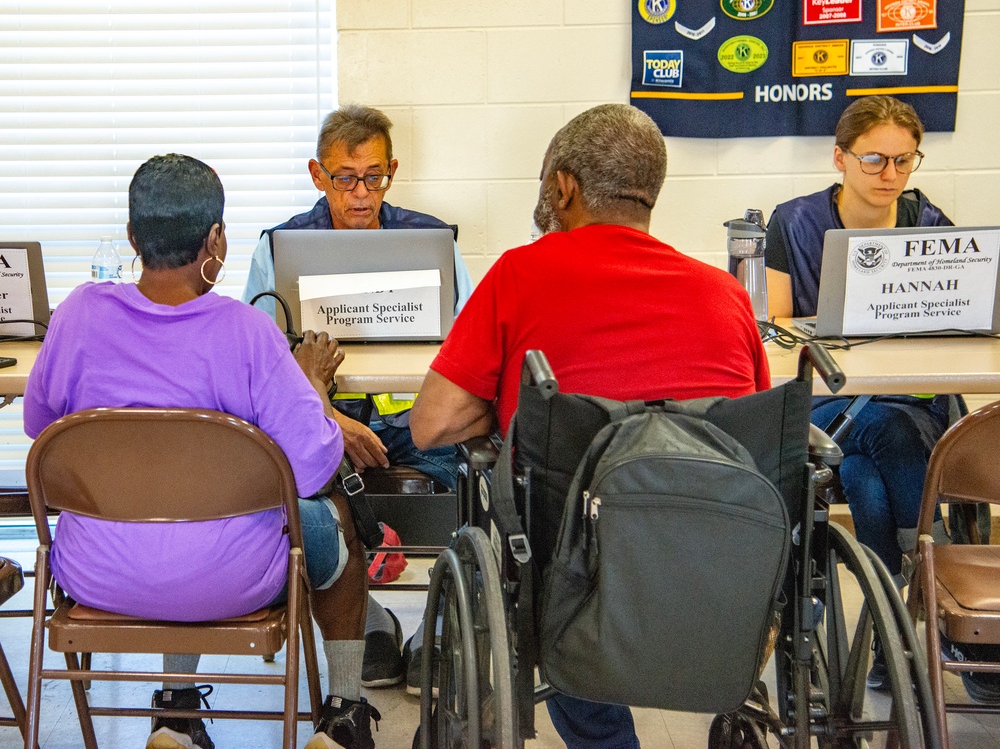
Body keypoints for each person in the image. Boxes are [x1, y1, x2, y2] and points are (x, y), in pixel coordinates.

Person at [409, 103, 770, 749]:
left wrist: (499, 407)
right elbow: (751, 439)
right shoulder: (726, 294)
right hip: (722, 569)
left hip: (582, 581)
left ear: (563, 187)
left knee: (553, 560)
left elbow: (432, 424)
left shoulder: (521, 275)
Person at [24, 154, 380, 749]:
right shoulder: (247, 331)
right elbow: (315, 468)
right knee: (333, 521)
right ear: (215, 238)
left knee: (165, 506)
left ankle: (174, 714)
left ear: (134, 237)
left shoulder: (78, 317)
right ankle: (344, 715)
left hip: (95, 573)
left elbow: (40, 424)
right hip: (233, 577)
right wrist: (312, 384)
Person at [764, 95, 998, 701]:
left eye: (903, 160)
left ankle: (886, 634)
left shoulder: (929, 223)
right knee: (889, 434)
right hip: (831, 402)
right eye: (873, 160)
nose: (890, 175)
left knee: (868, 477)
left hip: (909, 402)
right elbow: (779, 327)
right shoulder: (792, 223)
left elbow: (963, 319)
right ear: (839, 157)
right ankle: (929, 584)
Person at [242, 103, 474, 688]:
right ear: (318, 176)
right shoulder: (278, 247)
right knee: (312, 493)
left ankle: (435, 630)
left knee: (468, 497)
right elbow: (258, 368)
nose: (360, 194)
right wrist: (329, 423)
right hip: (328, 432)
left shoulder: (433, 242)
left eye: (373, 176)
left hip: (416, 428)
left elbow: (470, 348)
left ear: (391, 171)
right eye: (344, 178)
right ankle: (370, 624)